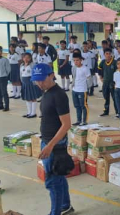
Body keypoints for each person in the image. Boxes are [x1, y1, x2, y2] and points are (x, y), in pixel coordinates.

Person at [31, 63, 74, 215]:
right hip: (48, 140)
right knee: (59, 176)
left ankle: (55, 212)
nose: (39, 83)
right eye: (36, 80)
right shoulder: (47, 92)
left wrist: (49, 146)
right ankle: (66, 205)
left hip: (54, 145)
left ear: (51, 75)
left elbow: (66, 124)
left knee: (52, 181)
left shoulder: (59, 95)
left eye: (42, 79)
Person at [98, 48, 118, 118]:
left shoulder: (115, 62)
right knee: (106, 97)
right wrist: (101, 77)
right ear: (104, 55)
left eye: (109, 54)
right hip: (105, 82)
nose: (108, 55)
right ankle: (106, 111)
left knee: (115, 98)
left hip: (113, 83)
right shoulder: (103, 62)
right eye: (106, 54)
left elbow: (118, 72)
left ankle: (118, 112)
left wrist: (116, 82)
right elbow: (99, 69)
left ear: (111, 54)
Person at [71, 53, 91, 126]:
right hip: (75, 90)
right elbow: (73, 77)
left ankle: (84, 121)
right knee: (77, 106)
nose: (76, 62)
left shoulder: (85, 69)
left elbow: (89, 79)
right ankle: (78, 120)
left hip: (82, 90)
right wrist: (73, 86)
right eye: (74, 60)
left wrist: (87, 89)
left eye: (77, 60)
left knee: (83, 106)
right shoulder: (73, 68)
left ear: (81, 60)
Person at [21, 53, 42, 118]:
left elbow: (36, 74)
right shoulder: (22, 65)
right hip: (25, 83)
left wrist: (36, 82)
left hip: (31, 83)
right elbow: (21, 74)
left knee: (33, 98)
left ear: (30, 58)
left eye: (28, 57)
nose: (26, 59)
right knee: (27, 98)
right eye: (24, 57)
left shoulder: (33, 65)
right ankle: (29, 112)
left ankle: (33, 113)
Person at [0, 46, 11, 111]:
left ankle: (7, 106)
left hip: (3, 77)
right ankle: (0, 105)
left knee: (4, 92)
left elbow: (8, 69)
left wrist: (5, 75)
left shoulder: (4, 60)